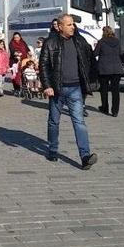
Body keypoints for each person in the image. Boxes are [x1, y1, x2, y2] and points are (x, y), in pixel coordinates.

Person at [39, 14, 98, 169]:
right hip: (57, 89)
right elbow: (43, 65)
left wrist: (90, 82)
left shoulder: (79, 41)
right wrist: (47, 86)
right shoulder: (50, 43)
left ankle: (85, 156)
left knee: (79, 122)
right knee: (54, 121)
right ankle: (52, 150)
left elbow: (90, 59)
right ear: (60, 26)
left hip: (75, 88)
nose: (73, 27)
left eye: (73, 24)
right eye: (69, 24)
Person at [93, 25, 124, 117]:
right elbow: (120, 53)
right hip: (117, 69)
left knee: (104, 90)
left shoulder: (101, 42)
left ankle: (105, 108)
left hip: (104, 69)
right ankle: (115, 111)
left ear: (104, 32)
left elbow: (95, 53)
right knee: (115, 91)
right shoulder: (117, 41)